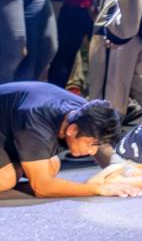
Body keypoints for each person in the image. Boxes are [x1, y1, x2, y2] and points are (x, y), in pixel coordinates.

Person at [0, 81, 133, 197]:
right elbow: (42, 188)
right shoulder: (36, 123)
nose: (92, 152)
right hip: (21, 119)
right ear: (72, 130)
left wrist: (124, 174)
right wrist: (97, 189)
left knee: (52, 165)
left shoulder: (86, 113)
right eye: (90, 144)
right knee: (7, 178)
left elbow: (104, 150)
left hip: (9, 124)